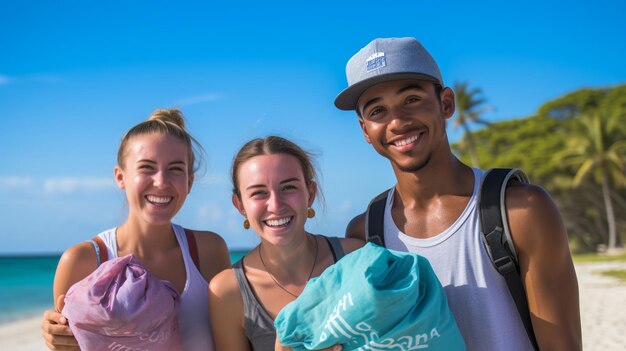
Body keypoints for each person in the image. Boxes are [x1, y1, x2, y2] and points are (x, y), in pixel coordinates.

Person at [335, 37, 582, 350]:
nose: (397, 121)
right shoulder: (366, 233)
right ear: (364, 130)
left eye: (411, 99)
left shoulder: (521, 210)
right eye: (378, 110)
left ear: (446, 103)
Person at [40, 108, 231, 350]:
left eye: (175, 169)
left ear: (189, 182)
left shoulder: (208, 250)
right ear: (121, 177)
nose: (161, 182)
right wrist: (57, 339)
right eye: (147, 167)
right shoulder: (82, 261)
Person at [208, 136, 364, 351]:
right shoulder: (227, 291)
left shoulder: (355, 258)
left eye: (288, 187)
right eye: (259, 193)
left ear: (310, 194)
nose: (275, 205)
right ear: (240, 205)